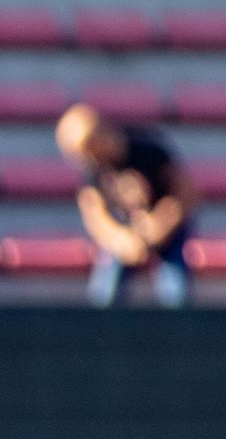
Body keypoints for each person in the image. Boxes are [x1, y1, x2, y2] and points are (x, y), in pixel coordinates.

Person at [54, 103, 195, 308]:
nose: (90, 159)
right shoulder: (93, 169)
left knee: (175, 288)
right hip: (125, 232)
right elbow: (96, 218)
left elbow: (185, 194)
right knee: (105, 293)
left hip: (167, 227)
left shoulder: (147, 148)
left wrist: (159, 225)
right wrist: (123, 240)